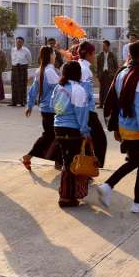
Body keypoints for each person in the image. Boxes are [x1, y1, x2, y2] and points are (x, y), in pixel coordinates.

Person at [91, 41, 139, 213]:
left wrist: (116, 127)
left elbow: (115, 102)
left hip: (124, 126)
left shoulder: (122, 73)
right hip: (137, 130)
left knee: (137, 162)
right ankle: (129, 197)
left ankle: (131, 197)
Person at [51, 61, 92, 208]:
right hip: (73, 130)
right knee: (72, 163)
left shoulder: (59, 87)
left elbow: (53, 106)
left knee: (67, 160)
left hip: (58, 127)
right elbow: (82, 114)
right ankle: (66, 197)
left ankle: (68, 194)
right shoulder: (78, 89)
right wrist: (85, 132)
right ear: (78, 73)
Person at [23, 46, 63, 170]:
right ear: (50, 56)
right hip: (52, 109)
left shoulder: (41, 70)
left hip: (46, 108)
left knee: (52, 135)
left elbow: (33, 90)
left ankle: (58, 161)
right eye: (54, 54)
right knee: (52, 135)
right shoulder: (49, 71)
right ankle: (29, 156)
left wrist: (30, 105)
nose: (55, 56)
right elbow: (61, 87)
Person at [77, 41, 108, 168]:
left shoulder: (78, 65)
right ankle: (93, 166)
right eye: (93, 53)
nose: (94, 56)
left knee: (87, 141)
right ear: (88, 54)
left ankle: (87, 168)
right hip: (87, 111)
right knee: (100, 140)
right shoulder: (86, 71)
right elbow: (85, 95)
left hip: (80, 109)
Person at [9, 36, 32, 107]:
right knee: (14, 85)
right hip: (14, 68)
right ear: (15, 42)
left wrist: (24, 66)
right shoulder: (13, 50)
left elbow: (30, 60)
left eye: (20, 42)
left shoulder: (26, 50)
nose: (18, 43)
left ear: (23, 43)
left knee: (22, 85)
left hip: (22, 68)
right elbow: (12, 59)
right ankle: (14, 101)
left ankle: (22, 101)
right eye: (17, 42)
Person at [96, 40, 118, 108]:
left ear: (108, 46)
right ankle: (101, 104)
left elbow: (116, 66)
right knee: (101, 89)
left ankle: (107, 104)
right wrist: (98, 74)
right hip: (102, 74)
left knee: (108, 89)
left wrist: (114, 74)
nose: (103, 47)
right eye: (102, 46)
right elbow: (98, 66)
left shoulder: (112, 55)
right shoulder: (100, 55)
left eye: (104, 46)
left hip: (110, 74)